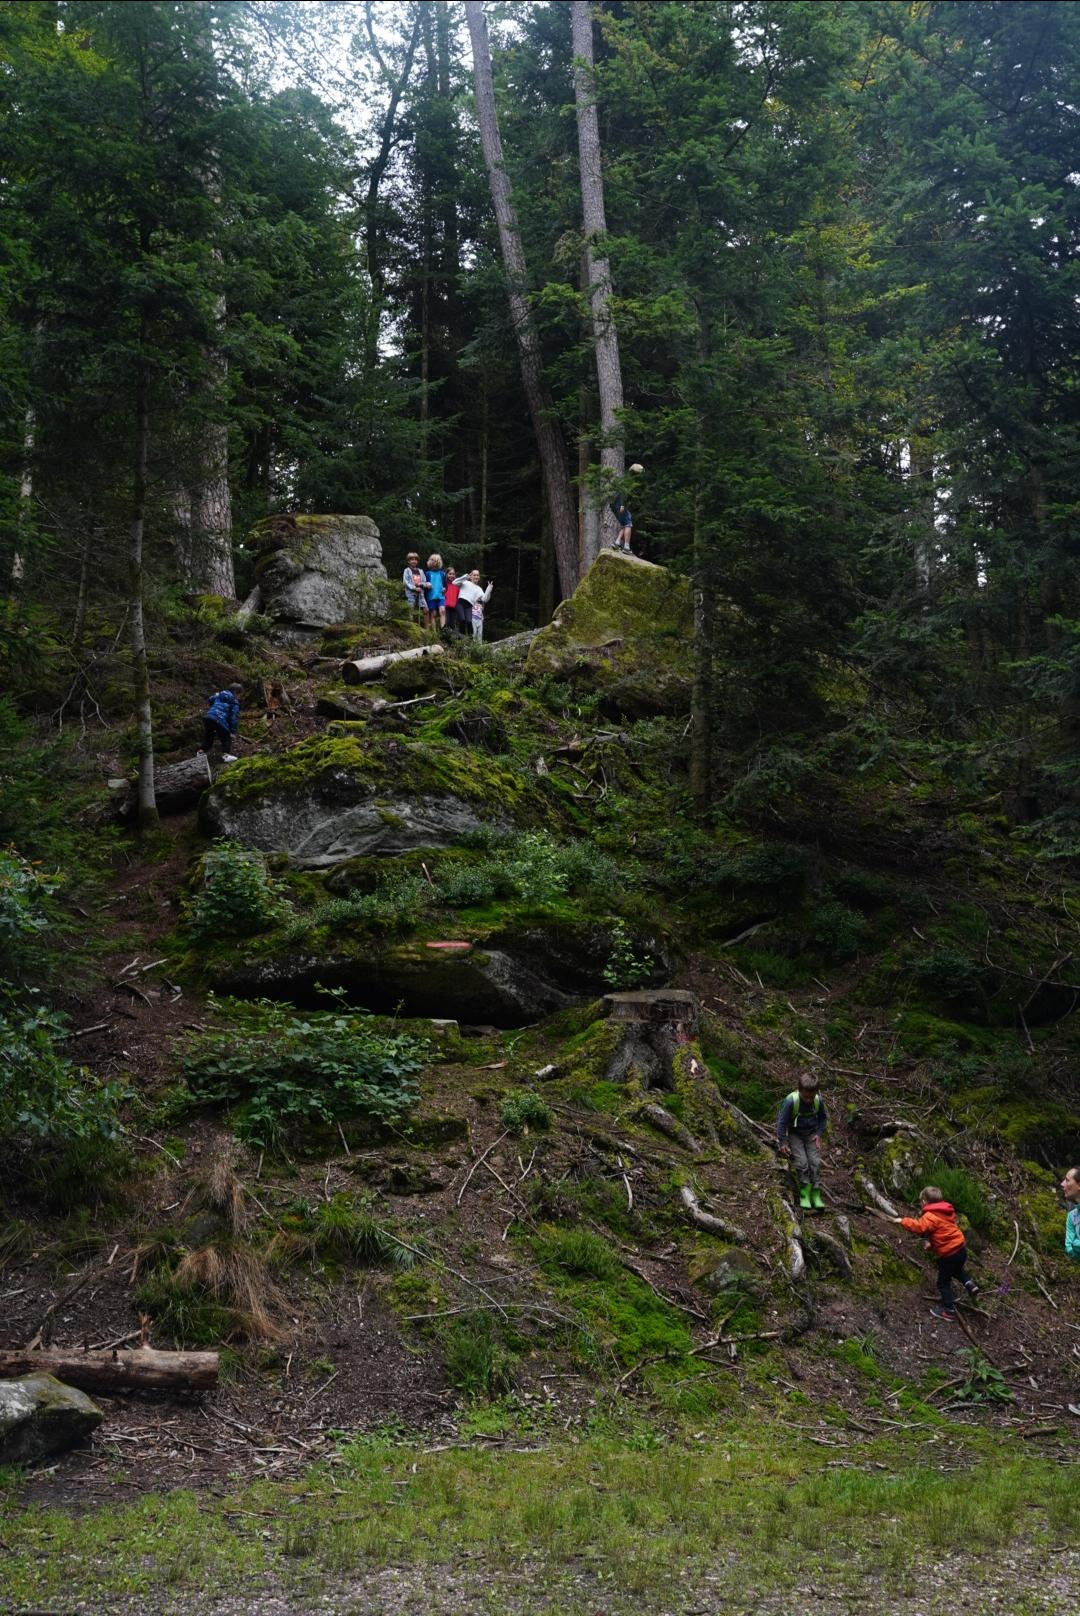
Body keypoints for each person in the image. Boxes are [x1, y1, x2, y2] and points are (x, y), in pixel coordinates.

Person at [894, 1186, 980, 1322]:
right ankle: (970, 1284)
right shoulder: (946, 1212)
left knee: (943, 1283)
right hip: (961, 1249)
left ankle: (948, 1311)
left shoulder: (930, 1215)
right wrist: (933, 1244)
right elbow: (943, 1232)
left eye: (921, 1201)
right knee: (957, 1270)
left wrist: (902, 1221)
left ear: (925, 1201)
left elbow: (919, 1227)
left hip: (949, 1254)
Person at [776, 1073, 828, 1213]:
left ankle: (816, 1197)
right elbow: (781, 1122)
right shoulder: (791, 1101)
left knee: (815, 1164)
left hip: (811, 1134)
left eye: (811, 1097)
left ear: (816, 1092)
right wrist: (783, 1142)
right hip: (795, 1135)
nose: (808, 1100)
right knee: (802, 1164)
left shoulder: (818, 1100)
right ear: (799, 1090)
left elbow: (823, 1118)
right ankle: (805, 1197)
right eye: (805, 1097)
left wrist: (818, 1134)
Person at [199, 685, 241, 762]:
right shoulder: (234, 701)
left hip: (209, 717)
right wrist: (233, 731)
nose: (239, 697)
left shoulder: (219, 694)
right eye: (239, 695)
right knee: (226, 738)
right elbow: (234, 717)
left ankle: (200, 752)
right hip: (220, 719)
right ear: (235, 692)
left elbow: (210, 699)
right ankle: (226, 755)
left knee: (208, 737)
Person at [610, 462, 643, 554]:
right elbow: (625, 493)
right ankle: (626, 547)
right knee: (628, 524)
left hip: (615, 504)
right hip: (620, 504)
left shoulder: (626, 478)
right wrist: (623, 505)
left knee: (625, 524)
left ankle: (617, 543)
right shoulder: (630, 480)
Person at [457, 569, 493, 641]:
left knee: (471, 625)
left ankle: (471, 643)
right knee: (462, 620)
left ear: (479, 577)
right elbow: (454, 582)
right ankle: (461, 639)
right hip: (461, 603)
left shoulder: (479, 589)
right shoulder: (465, 582)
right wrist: (466, 577)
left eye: (477, 575)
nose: (476, 577)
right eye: (474, 575)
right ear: (471, 576)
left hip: (470, 608)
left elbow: (484, 599)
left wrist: (489, 589)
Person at [402, 552, 429, 621]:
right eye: (412, 559)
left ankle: (427, 630)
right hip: (411, 593)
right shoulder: (407, 571)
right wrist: (414, 588)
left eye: (415, 560)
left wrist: (422, 584)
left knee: (426, 610)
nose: (414, 561)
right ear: (408, 561)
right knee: (411, 610)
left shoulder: (420, 571)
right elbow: (406, 582)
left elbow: (424, 581)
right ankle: (411, 627)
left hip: (420, 593)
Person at [1061, 1166, 1080, 1261]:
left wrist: (1076, 1243)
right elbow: (1069, 1249)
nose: (1062, 1184)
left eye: (1067, 1180)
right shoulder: (1072, 1216)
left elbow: (1073, 1245)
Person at [425, 553, 446, 629]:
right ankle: (434, 634)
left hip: (441, 596)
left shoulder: (442, 574)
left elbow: (445, 585)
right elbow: (424, 584)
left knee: (442, 611)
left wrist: (444, 588)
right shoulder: (427, 574)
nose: (435, 562)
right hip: (431, 596)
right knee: (433, 614)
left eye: (437, 561)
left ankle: (444, 630)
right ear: (430, 562)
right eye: (433, 561)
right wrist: (426, 584)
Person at [443, 566, 460, 634]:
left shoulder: (457, 585)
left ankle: (453, 640)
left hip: (454, 607)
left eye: (453, 574)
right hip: (445, 606)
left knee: (453, 624)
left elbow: (458, 596)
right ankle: (444, 637)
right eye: (450, 574)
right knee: (446, 622)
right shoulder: (444, 584)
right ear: (446, 574)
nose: (451, 575)